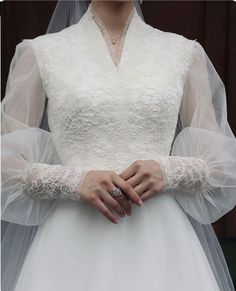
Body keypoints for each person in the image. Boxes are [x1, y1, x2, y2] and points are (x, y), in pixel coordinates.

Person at [1, 1, 236, 290]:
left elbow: (221, 164)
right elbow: (5, 163)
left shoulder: (183, 53)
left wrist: (168, 171)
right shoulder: (40, 53)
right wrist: (76, 181)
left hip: (162, 243)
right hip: (70, 243)